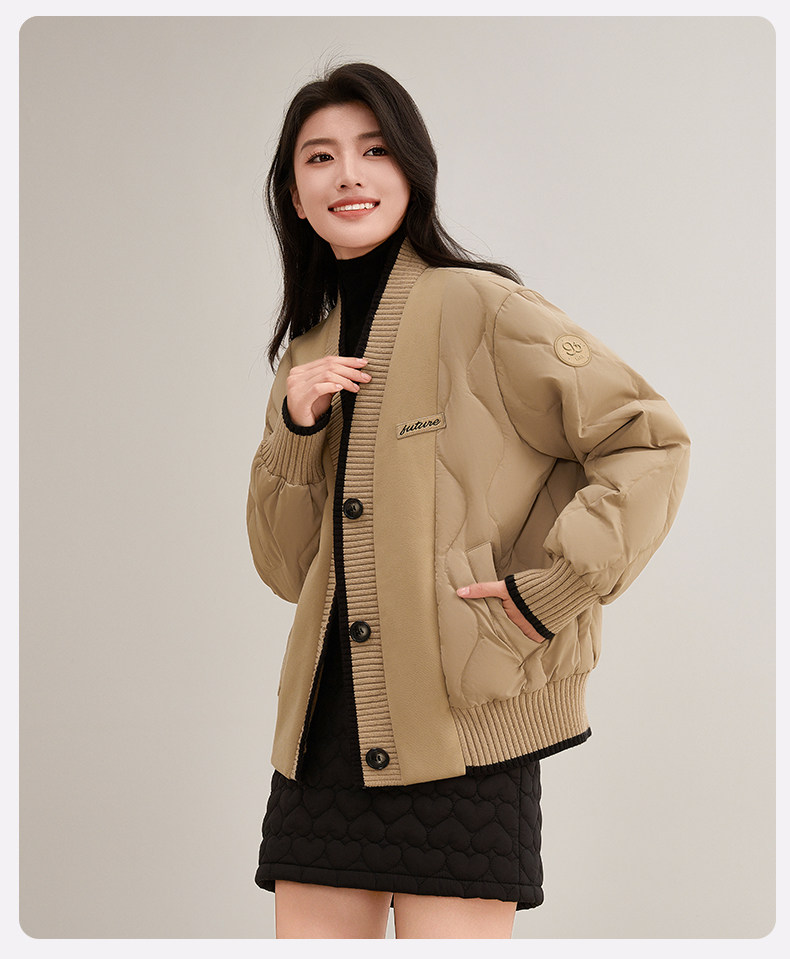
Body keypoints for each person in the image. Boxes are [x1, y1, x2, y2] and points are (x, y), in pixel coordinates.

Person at [246, 61, 691, 939]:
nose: (348, 175)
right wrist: (295, 431)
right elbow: (287, 569)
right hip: (322, 744)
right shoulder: (307, 355)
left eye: (374, 150)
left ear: (412, 169)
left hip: (464, 730)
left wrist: (549, 594)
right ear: (295, 196)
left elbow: (649, 440)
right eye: (320, 157)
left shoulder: (482, 306)